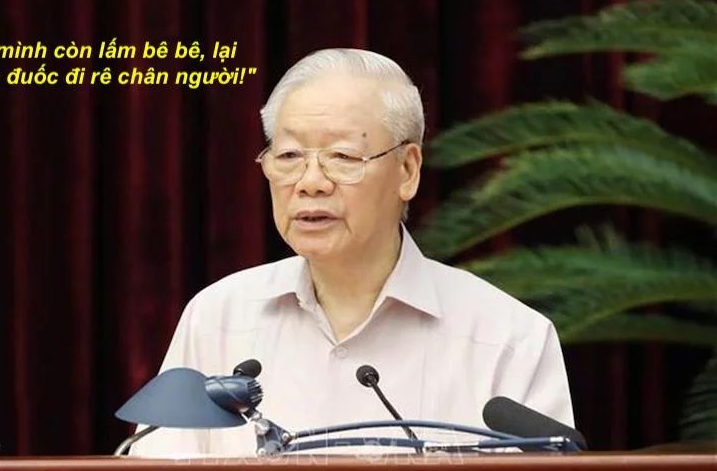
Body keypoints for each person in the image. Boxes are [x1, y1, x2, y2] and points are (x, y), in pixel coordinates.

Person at [129, 48, 574, 457]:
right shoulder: (217, 317)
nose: (310, 182)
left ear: (407, 170)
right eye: (289, 156)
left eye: (342, 156)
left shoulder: (509, 339)